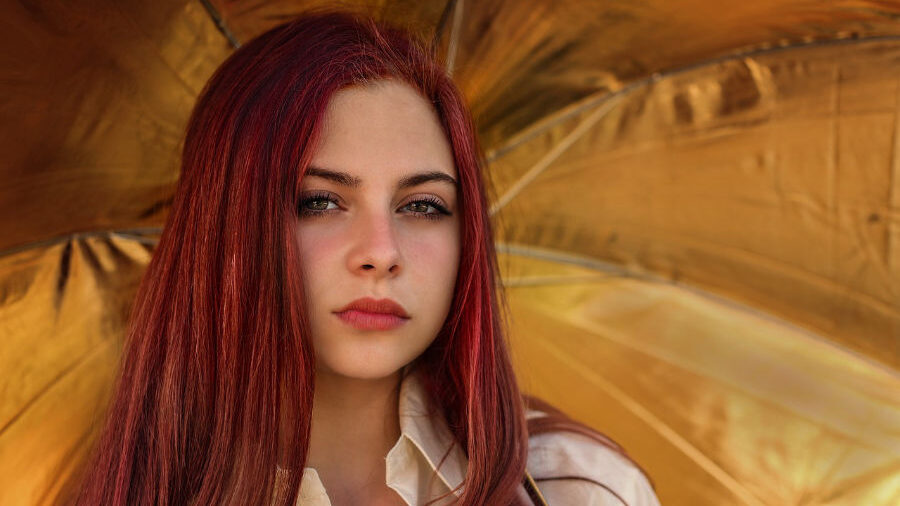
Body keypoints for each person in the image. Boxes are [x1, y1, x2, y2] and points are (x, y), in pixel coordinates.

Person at [71, 10, 660, 506]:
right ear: (225, 226)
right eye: (320, 201)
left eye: (423, 206)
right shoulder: (139, 488)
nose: (381, 252)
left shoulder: (572, 488)